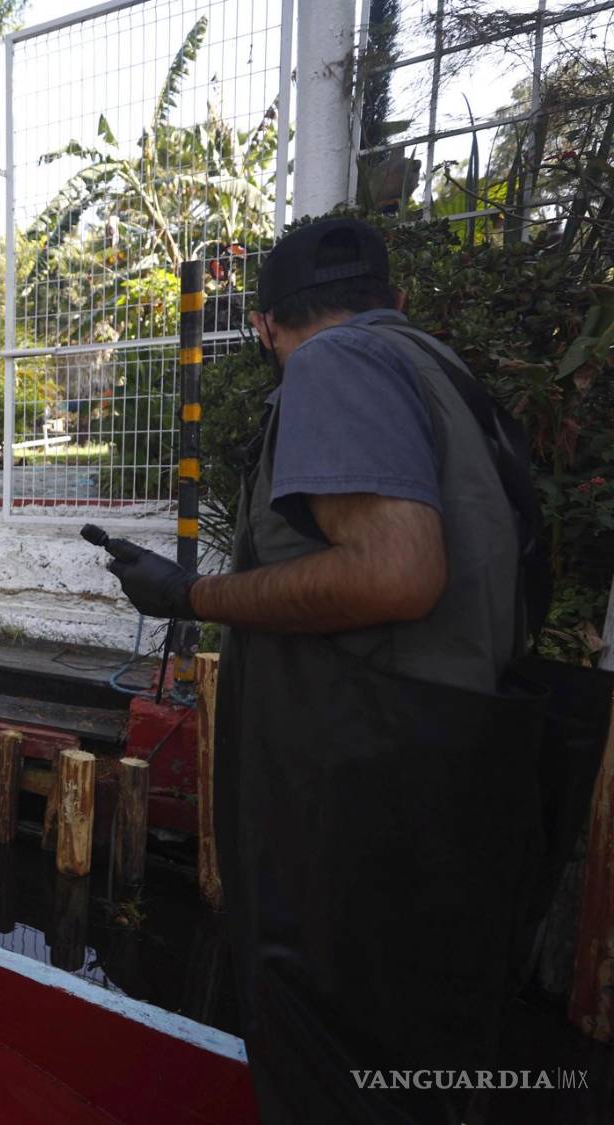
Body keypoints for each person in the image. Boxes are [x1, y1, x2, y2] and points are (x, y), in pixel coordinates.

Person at [95, 217, 550, 1122]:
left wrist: (191, 595)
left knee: (332, 1067)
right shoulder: (443, 373)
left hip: (365, 799)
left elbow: (396, 572)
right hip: (462, 779)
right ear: (397, 300)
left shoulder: (333, 363)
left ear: (264, 325)